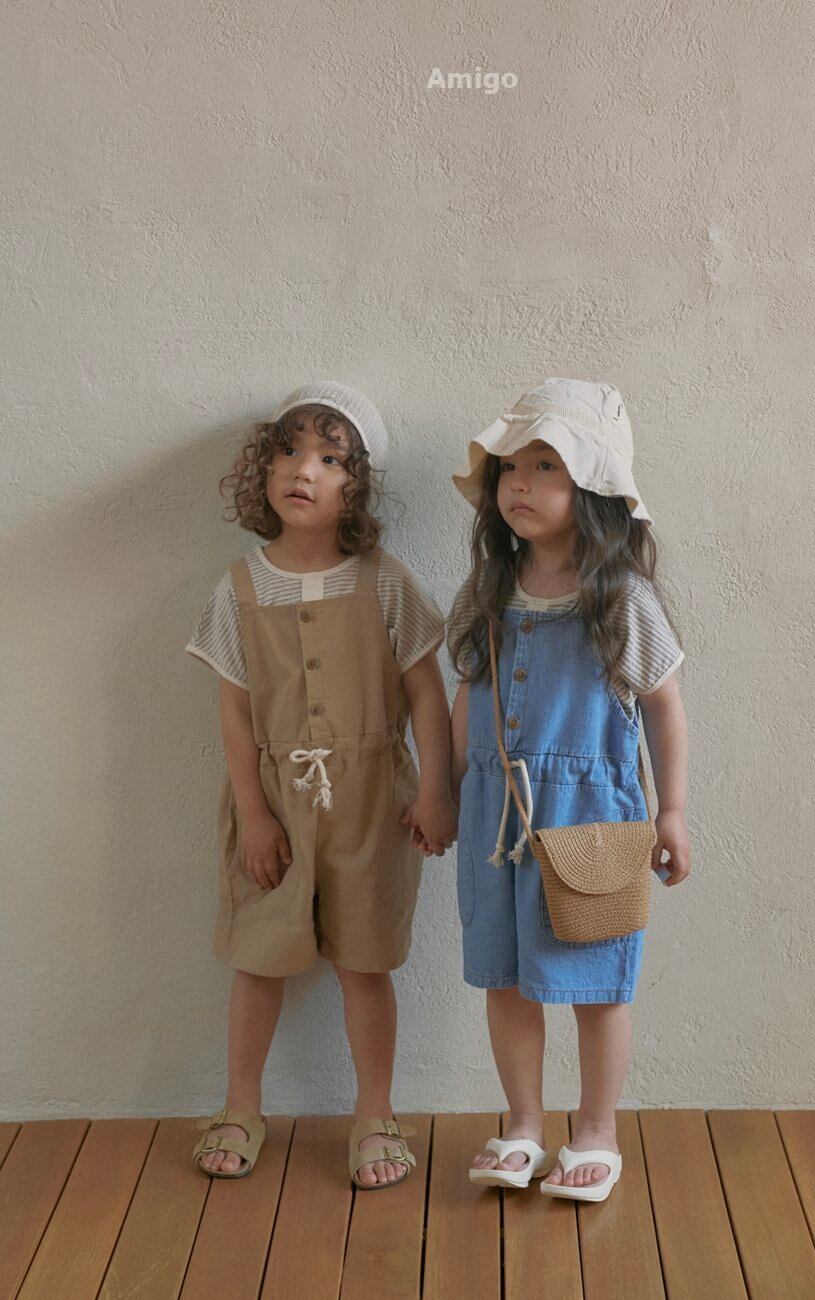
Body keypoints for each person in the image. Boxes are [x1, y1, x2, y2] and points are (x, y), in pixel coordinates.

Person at [186, 381, 456, 1189]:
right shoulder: (239, 588)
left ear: (356, 485)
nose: (304, 469)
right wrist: (254, 815)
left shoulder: (384, 582)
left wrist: (435, 791)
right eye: (288, 450)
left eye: (330, 458)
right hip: (273, 804)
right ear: (263, 468)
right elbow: (235, 714)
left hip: (374, 805)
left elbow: (427, 694)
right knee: (258, 959)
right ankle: (241, 1104)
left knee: (365, 963)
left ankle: (375, 1114)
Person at [448, 378, 692, 1203]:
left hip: (591, 820)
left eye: (545, 465)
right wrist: (449, 788)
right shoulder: (486, 589)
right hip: (497, 819)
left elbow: (664, 706)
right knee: (505, 978)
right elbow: (467, 693)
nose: (520, 482)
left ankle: (596, 1131)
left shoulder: (621, 600)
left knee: (594, 983)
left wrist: (672, 811)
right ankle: (523, 1125)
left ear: (593, 485)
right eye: (511, 466)